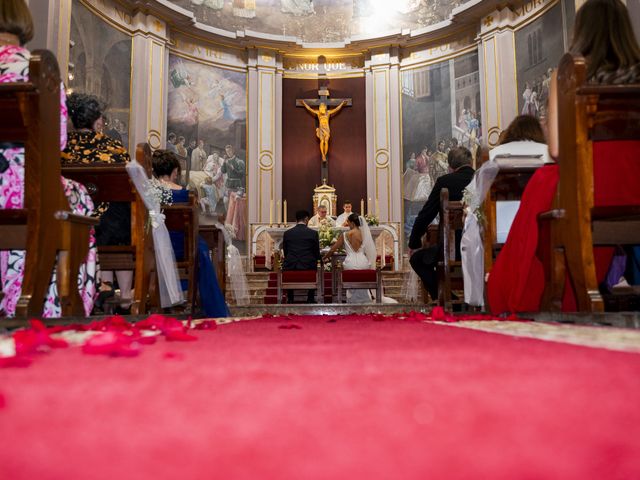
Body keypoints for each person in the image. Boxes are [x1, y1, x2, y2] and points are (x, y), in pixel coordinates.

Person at [488, 0, 640, 314]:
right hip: (633, 185)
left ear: (582, 32)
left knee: (544, 182)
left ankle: (535, 293)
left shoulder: (570, 76)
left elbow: (556, 149)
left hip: (591, 189)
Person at [0, 0, 97, 317]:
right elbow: (56, 143)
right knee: (79, 198)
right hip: (21, 193)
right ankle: (50, 301)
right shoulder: (37, 70)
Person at [461, 115, 549, 307]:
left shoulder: (494, 155)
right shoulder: (550, 153)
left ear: (511, 133)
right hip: (544, 224)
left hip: (500, 227)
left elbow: (471, 199)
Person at [62, 92, 132, 312]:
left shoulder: (59, 148)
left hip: (67, 224)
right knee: (123, 209)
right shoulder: (114, 148)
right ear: (97, 119)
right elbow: (131, 186)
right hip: (108, 229)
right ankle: (127, 296)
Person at [151, 150, 229, 317]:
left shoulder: (149, 193)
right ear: (174, 172)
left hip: (155, 249)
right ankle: (205, 305)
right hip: (182, 250)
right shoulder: (186, 194)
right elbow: (196, 221)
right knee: (200, 250)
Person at [408, 147, 475, 302]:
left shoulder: (444, 182)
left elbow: (426, 214)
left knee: (417, 260)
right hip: (480, 248)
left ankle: (447, 299)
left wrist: (414, 242)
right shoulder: (481, 179)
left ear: (450, 166)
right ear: (471, 162)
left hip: (453, 250)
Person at [323, 213, 398, 304]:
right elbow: (370, 251)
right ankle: (364, 298)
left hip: (350, 263)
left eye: (349, 223)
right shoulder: (364, 234)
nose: (348, 225)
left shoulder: (345, 234)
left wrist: (324, 258)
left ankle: (352, 298)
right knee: (362, 271)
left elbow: (332, 250)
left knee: (345, 269)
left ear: (353, 223)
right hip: (363, 262)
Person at [282, 210, 321, 303]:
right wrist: (321, 262)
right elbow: (316, 252)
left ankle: (290, 298)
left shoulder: (287, 233)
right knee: (315, 265)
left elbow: (286, 251)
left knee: (288, 265)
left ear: (296, 220)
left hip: (291, 265)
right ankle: (310, 298)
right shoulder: (313, 233)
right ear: (307, 219)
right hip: (308, 265)